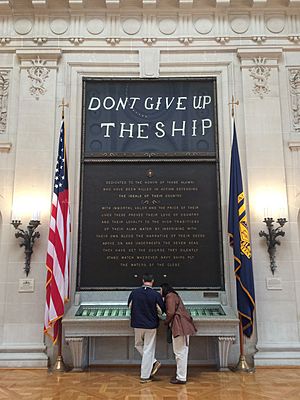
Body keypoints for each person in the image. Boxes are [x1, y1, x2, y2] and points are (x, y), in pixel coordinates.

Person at [128, 273, 165, 383]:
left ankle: (151, 366)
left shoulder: (134, 293)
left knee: (138, 345)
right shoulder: (156, 295)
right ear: (152, 281)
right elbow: (160, 310)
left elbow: (130, 306)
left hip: (137, 324)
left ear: (142, 280)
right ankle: (146, 375)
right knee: (148, 348)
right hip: (151, 325)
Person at [160, 283, 197, 385]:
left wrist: (166, 321)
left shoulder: (170, 296)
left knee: (179, 352)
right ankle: (181, 375)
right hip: (183, 325)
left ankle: (181, 377)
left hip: (179, 326)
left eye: (160, 289)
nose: (160, 292)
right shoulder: (175, 295)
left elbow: (171, 312)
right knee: (183, 351)